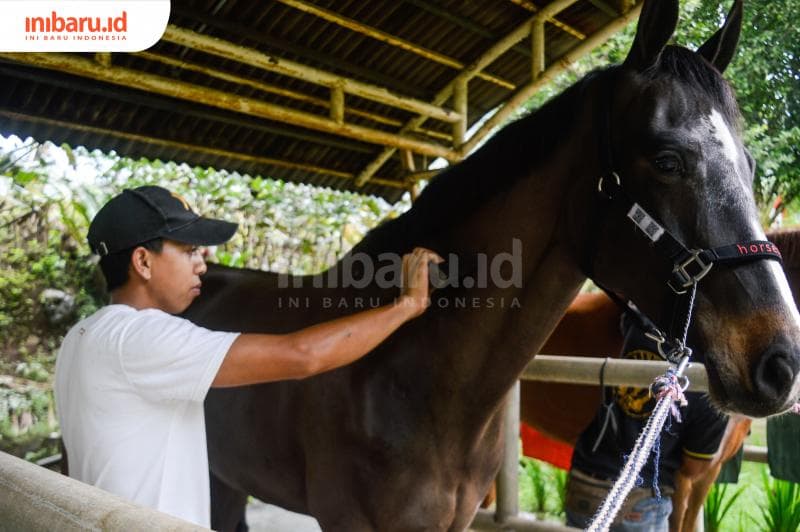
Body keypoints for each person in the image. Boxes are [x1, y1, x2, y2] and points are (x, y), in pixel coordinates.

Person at [54, 185, 442, 527]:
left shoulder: (81, 337)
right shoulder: (143, 337)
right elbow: (302, 355)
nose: (202, 264)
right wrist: (407, 305)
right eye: (188, 251)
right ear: (142, 261)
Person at [564, 311, 729, 532]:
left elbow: (626, 316)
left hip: (582, 483)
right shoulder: (712, 385)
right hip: (639, 500)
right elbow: (692, 468)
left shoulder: (642, 326)